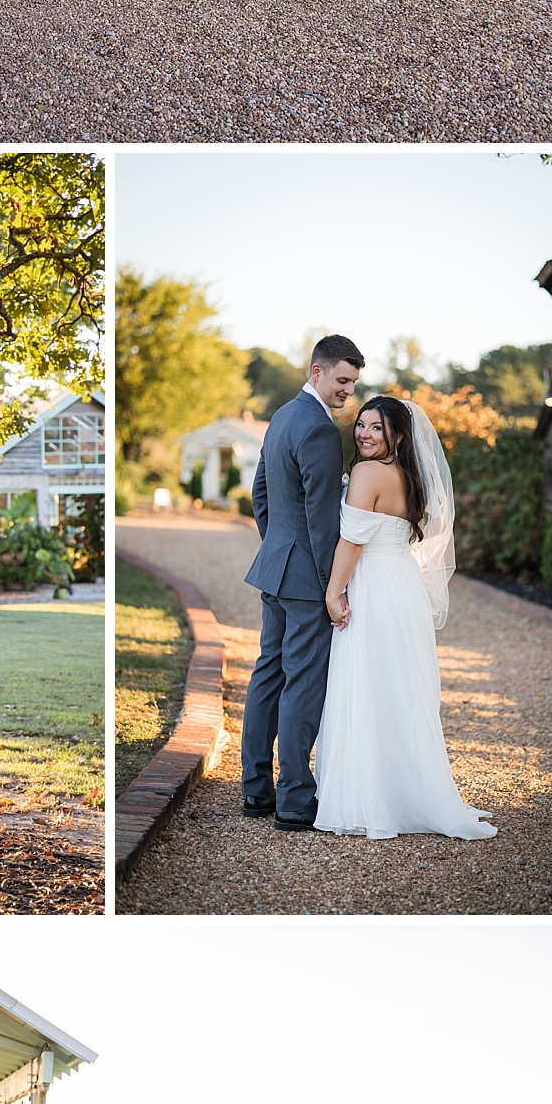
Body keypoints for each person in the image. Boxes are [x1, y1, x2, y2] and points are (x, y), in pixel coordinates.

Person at [315, 393, 496, 838]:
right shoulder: (408, 474)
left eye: (377, 428)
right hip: (403, 586)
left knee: (367, 685)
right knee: (399, 688)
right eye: (361, 424)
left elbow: (353, 541)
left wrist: (334, 592)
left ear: (397, 434)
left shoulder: (365, 472)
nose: (364, 434)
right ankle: (407, 792)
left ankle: (369, 799)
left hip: (373, 586)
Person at [240, 334, 363, 830]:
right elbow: (322, 516)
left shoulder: (282, 417)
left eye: (353, 384)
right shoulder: (318, 428)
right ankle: (293, 800)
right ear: (317, 371)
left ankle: (255, 792)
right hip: (307, 578)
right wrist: (330, 586)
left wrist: (276, 546)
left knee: (268, 672)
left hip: (276, 567)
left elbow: (261, 491)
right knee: (303, 682)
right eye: (341, 380)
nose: (347, 392)